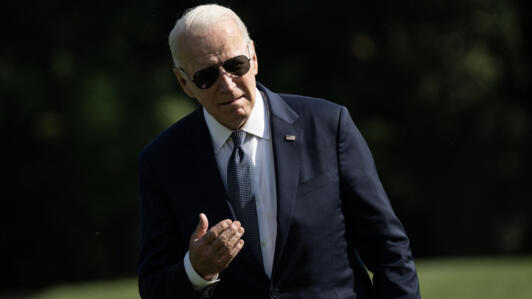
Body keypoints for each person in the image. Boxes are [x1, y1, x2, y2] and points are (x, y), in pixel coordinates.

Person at [138, 4, 421, 299]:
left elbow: (389, 250)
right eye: (207, 77)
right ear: (184, 83)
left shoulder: (327, 126)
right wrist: (196, 271)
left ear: (254, 57)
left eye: (236, 65)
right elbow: (153, 287)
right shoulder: (162, 161)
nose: (227, 84)